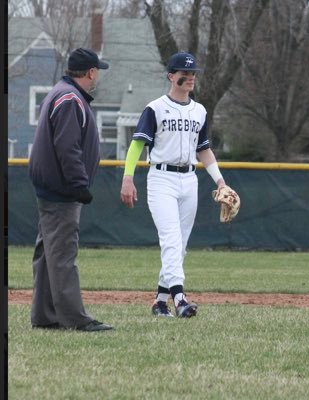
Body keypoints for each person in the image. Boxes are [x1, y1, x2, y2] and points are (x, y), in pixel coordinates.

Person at [120, 51, 226, 318]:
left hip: (189, 179)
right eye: (184, 74)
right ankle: (179, 298)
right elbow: (137, 144)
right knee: (170, 239)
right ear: (171, 76)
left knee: (181, 245)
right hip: (161, 178)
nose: (190, 78)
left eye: (193, 74)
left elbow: (203, 149)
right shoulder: (155, 108)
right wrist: (128, 177)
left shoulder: (199, 111)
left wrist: (220, 180)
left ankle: (159, 301)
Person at [28, 48, 113, 332]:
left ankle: (44, 315)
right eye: (96, 70)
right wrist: (79, 185)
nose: (97, 75)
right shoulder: (69, 99)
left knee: (47, 252)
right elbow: (67, 147)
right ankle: (74, 318)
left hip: (51, 186)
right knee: (63, 253)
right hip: (62, 190)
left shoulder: (62, 92)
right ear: (90, 72)